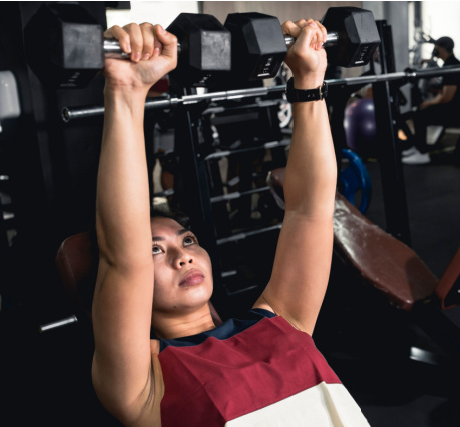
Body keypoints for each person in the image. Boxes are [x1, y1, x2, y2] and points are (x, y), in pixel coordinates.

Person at [92, 20, 369, 426]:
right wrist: (127, 92)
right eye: (155, 249)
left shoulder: (282, 319)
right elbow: (122, 258)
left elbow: (310, 209)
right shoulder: (142, 384)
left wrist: (309, 79)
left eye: (187, 241)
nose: (182, 257)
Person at [402, 36, 460, 165]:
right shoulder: (450, 63)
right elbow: (444, 93)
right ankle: (417, 147)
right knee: (417, 113)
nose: (435, 50)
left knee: (420, 116)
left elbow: (446, 97)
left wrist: (428, 103)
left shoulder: (451, 66)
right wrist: (429, 103)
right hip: (455, 106)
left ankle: (422, 154)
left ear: (441, 49)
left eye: (436, 48)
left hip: (456, 111)